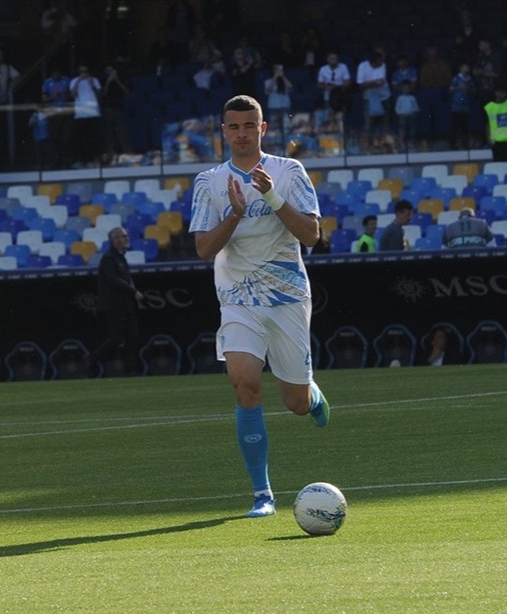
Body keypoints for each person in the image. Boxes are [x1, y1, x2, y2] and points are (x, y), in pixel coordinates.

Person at [189, 94, 331, 519]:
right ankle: (262, 494)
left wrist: (272, 198)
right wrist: (233, 215)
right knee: (244, 384)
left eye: (249, 126)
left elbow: (311, 236)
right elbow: (203, 249)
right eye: (233, 127)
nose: (242, 134)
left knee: (295, 403)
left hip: (286, 297)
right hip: (237, 298)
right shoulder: (209, 181)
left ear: (263, 129)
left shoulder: (289, 172)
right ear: (224, 132)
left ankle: (311, 394)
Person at [92, 226, 143, 376]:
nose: (126, 239)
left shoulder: (121, 258)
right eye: (123, 236)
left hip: (126, 303)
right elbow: (113, 280)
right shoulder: (108, 258)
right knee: (116, 338)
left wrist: (133, 292)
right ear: (114, 240)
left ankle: (131, 369)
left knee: (132, 336)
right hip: (114, 304)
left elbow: (126, 278)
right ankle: (91, 359)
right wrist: (133, 291)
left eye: (126, 236)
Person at [484, 83, 507, 167]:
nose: (500, 94)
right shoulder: (489, 107)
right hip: (497, 142)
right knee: (500, 167)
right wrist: (489, 139)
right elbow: (487, 124)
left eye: (503, 92)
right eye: (498, 92)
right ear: (495, 93)